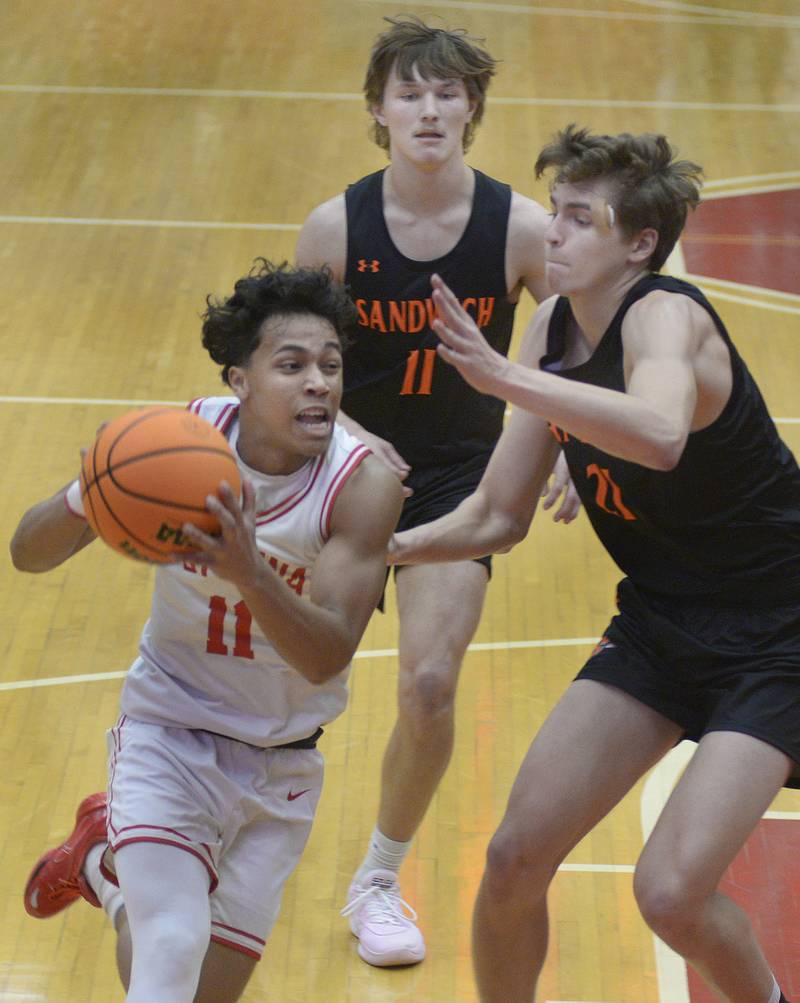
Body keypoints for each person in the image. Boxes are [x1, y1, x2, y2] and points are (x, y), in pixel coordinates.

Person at [388, 125, 800, 1003]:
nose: (554, 234)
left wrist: (505, 380)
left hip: (781, 635)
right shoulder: (550, 327)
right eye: (555, 214)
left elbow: (656, 434)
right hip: (661, 623)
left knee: (670, 892)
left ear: (640, 243)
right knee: (511, 857)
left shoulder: (667, 315)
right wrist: (394, 544)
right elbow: (499, 515)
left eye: (579, 219)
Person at [11, 260, 403, 1003]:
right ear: (240, 381)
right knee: (171, 948)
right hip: (170, 728)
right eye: (291, 365)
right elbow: (26, 553)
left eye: (330, 365)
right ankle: (126, 855)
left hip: (282, 758)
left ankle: (103, 860)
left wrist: (249, 569)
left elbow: (328, 655)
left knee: (201, 989)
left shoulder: (362, 486)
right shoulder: (174, 448)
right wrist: (90, 487)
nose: (319, 381)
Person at [296, 15, 579, 967]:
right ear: (378, 109)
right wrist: (338, 428)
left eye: (446, 91)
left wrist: (578, 445)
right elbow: (280, 357)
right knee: (285, 681)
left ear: (472, 108)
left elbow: (587, 349)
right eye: (408, 92)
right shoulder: (336, 228)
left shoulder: (523, 230)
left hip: (454, 481)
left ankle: (377, 875)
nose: (427, 108)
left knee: (428, 680)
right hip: (338, 471)